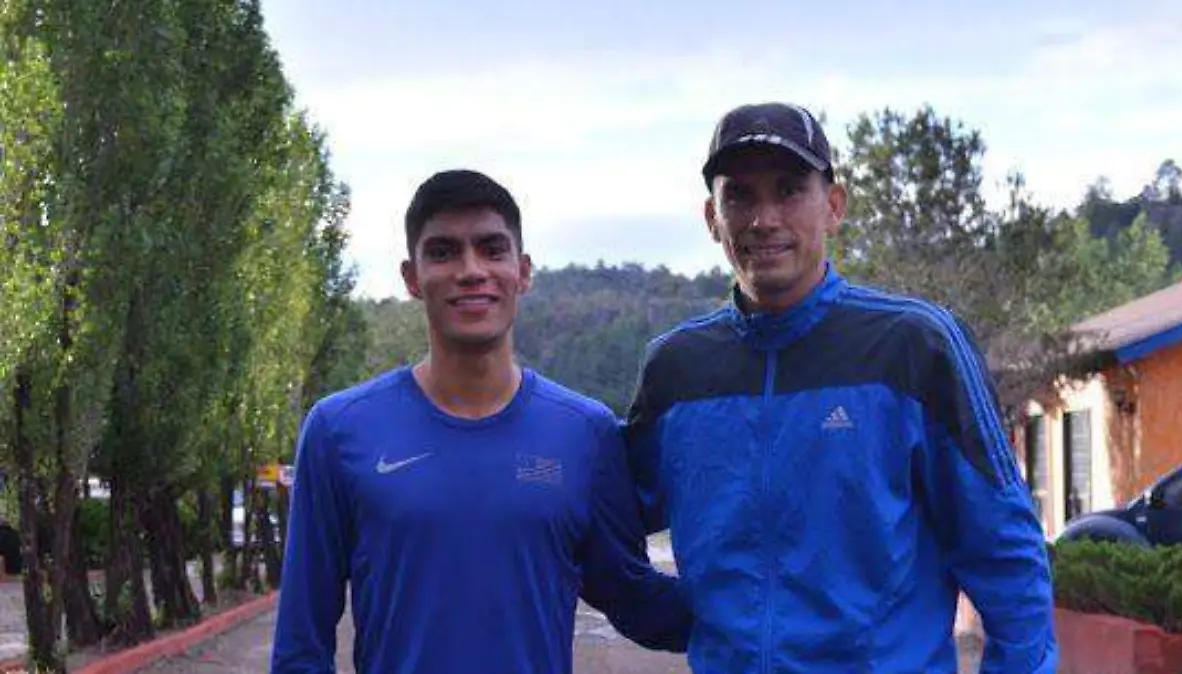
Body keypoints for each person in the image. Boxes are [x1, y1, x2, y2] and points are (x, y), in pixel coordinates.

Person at [623, 102, 1058, 673]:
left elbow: (1004, 551)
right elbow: (606, 523)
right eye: (740, 196)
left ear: (833, 206)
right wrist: (678, 616)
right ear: (712, 218)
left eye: (788, 190)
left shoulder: (913, 346)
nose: (764, 218)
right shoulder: (676, 369)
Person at [271, 169, 691, 673]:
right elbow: (301, 645)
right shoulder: (338, 430)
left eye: (492, 249)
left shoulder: (585, 432)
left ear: (524, 270)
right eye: (444, 252)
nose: (471, 270)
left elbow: (632, 596)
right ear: (411, 277)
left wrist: (770, 595)